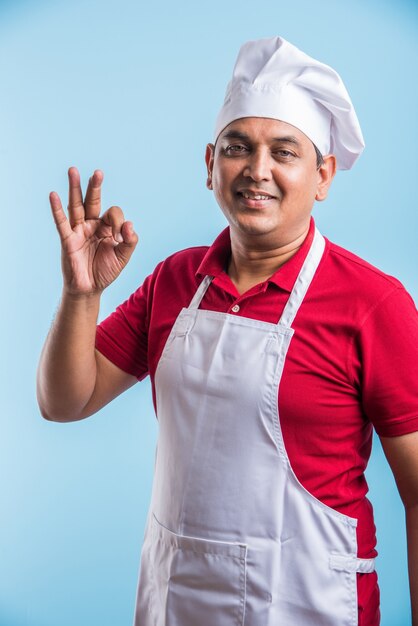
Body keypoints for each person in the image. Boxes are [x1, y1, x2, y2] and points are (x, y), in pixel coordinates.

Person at [37, 36, 418, 626]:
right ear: (210, 164)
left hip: (308, 605)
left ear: (323, 176)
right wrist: (81, 294)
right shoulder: (174, 279)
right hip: (177, 600)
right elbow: (65, 402)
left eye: (283, 151)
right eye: (238, 147)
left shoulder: (373, 303)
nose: (256, 170)